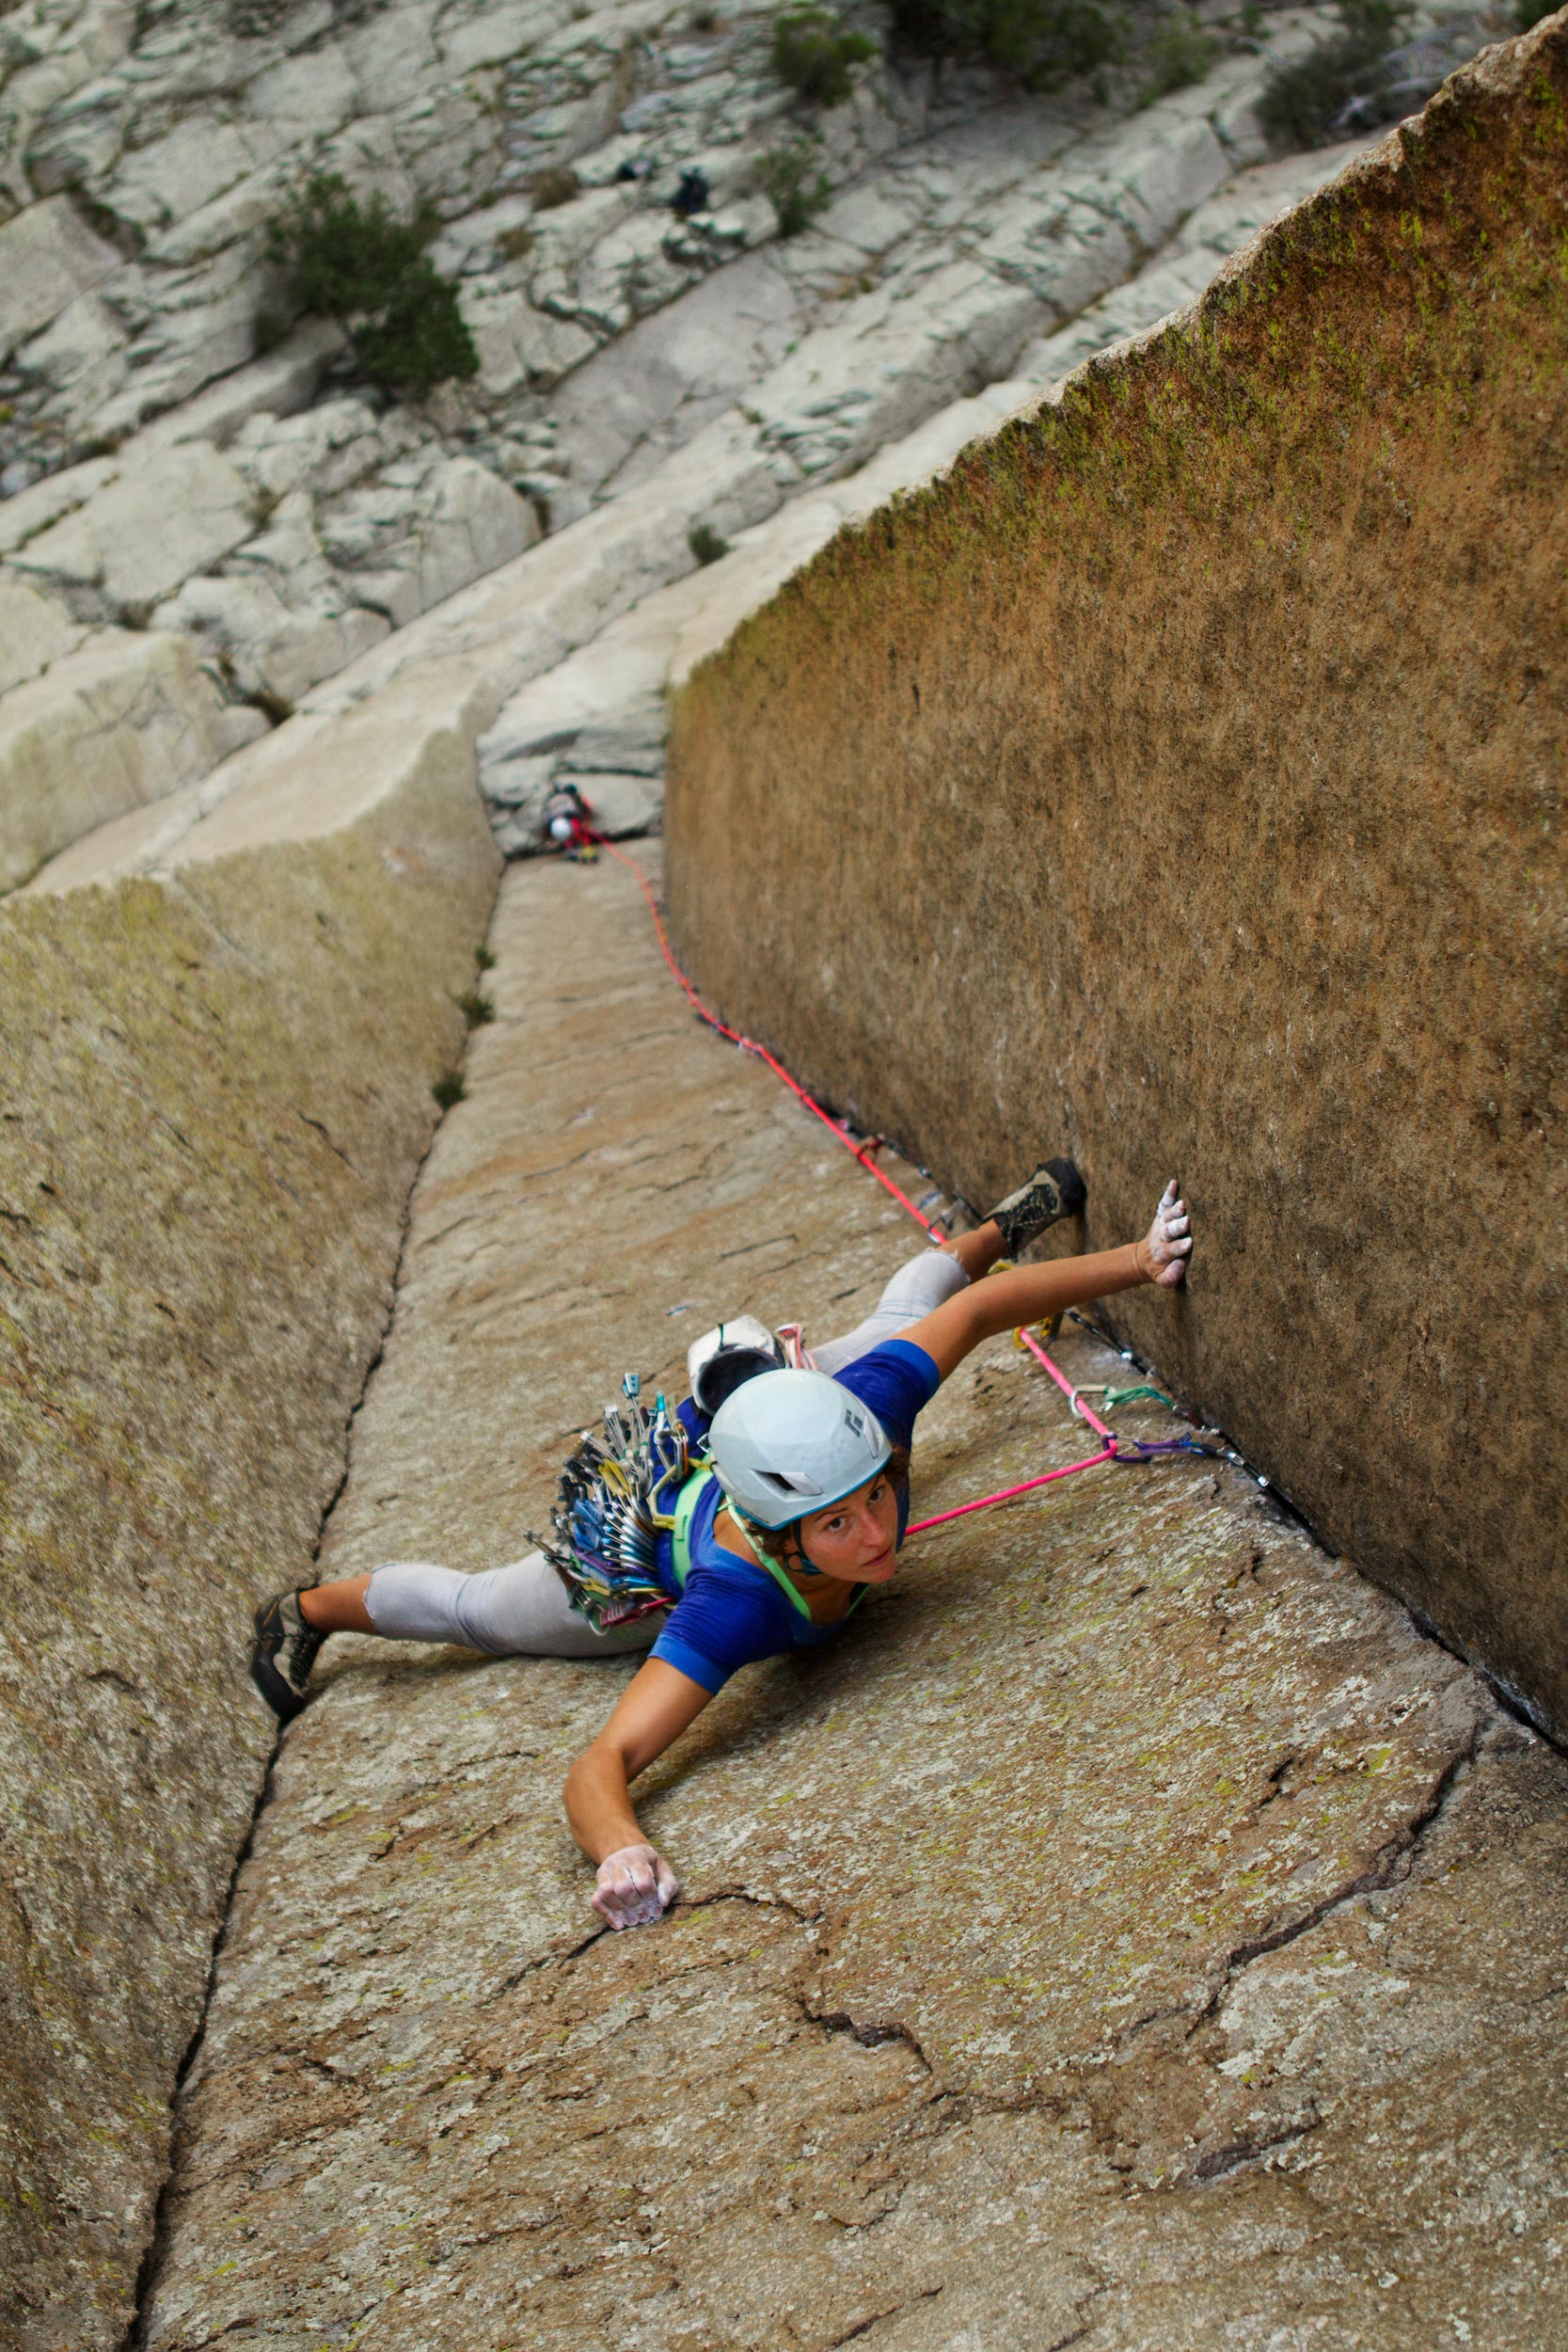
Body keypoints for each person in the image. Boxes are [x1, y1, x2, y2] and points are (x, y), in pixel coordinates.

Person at [251, 1160, 1193, 1932]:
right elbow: (601, 1763)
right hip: (643, 1534)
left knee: (899, 1327)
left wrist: (1138, 1260)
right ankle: (306, 1611)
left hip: (782, 1414)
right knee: (481, 1611)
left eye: (878, 1498)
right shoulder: (730, 1602)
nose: (878, 1535)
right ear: (780, 1538)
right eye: (839, 1523)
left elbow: (980, 1314)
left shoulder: (861, 1412)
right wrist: (620, 1846)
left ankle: (993, 1227)